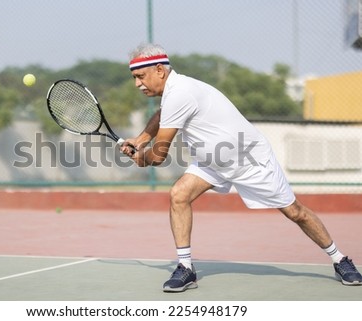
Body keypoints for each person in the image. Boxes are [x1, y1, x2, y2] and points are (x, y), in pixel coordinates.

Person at [120, 43, 362, 292]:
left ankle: (340, 259)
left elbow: (158, 156)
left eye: (140, 77)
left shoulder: (181, 92)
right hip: (213, 161)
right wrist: (140, 140)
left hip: (249, 160)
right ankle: (186, 268)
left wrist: (143, 158)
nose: (137, 84)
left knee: (295, 212)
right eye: (134, 78)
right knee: (179, 195)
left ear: (159, 70)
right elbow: (162, 114)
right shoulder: (175, 90)